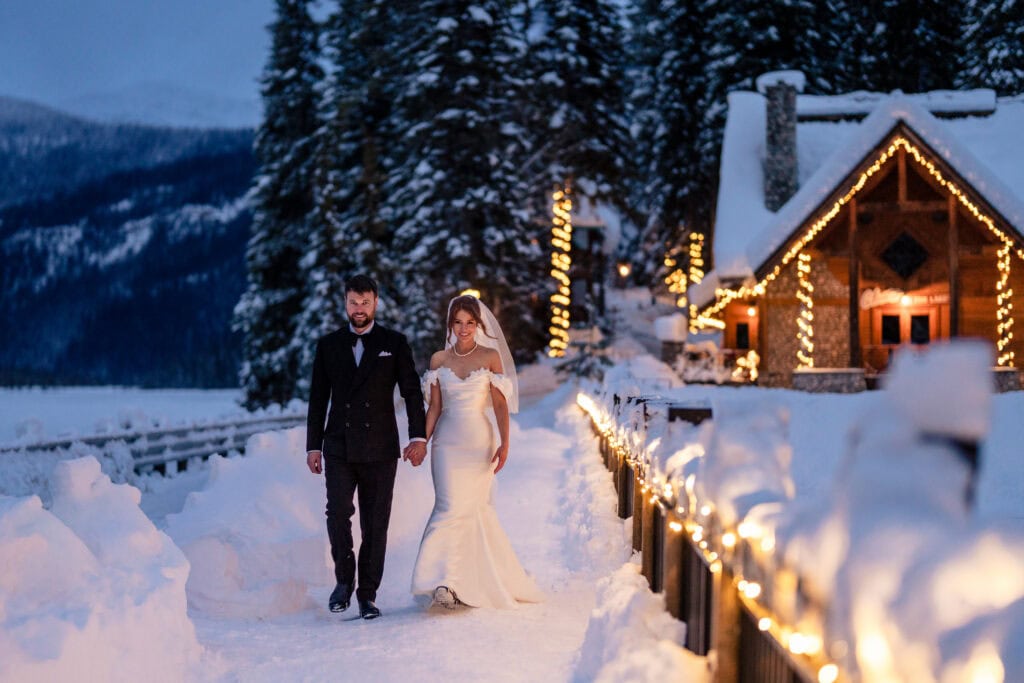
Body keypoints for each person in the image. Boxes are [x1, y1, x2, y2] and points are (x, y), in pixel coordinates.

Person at [305, 274, 427, 620]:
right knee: (337, 514)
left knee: (376, 523)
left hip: (380, 448)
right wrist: (313, 446)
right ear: (345, 303)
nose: (359, 309)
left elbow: (411, 392)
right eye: (353, 302)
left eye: (365, 302)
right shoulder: (328, 345)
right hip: (338, 445)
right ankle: (344, 582)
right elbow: (318, 400)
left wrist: (417, 437)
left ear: (375, 303)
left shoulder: (394, 342)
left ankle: (367, 594)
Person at [410, 295, 544, 609]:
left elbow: (499, 403)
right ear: (450, 325)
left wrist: (505, 442)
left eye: (470, 322)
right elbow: (435, 409)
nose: (464, 328)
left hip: (478, 443)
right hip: (446, 443)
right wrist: (421, 441)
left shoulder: (490, 357)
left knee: (469, 510)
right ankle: (442, 582)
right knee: (447, 507)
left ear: (478, 325)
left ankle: (456, 581)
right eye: (458, 322)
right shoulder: (438, 360)